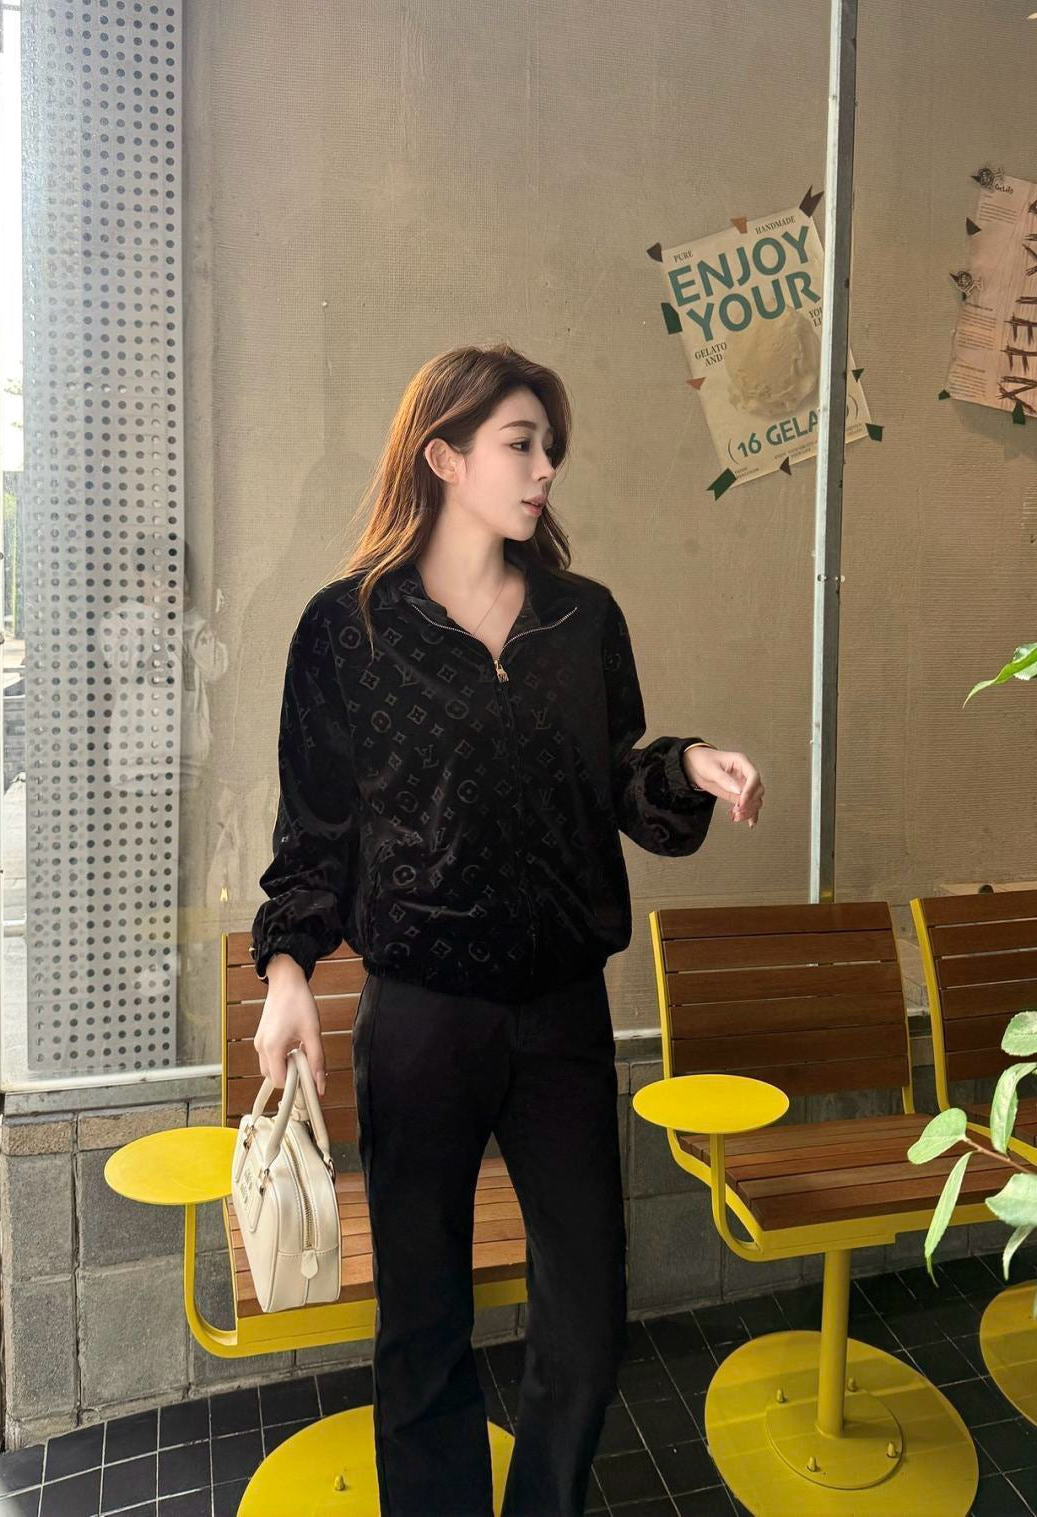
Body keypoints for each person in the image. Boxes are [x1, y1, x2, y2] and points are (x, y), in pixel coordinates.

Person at [249, 343, 765, 1517]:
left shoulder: (584, 618)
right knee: (422, 1317)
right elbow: (314, 829)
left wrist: (683, 764)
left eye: (549, 448)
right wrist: (286, 972)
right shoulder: (347, 629)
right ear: (444, 456)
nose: (544, 469)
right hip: (421, 1021)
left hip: (562, 1015)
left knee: (588, 1308)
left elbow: (614, 776)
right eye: (521, 444)